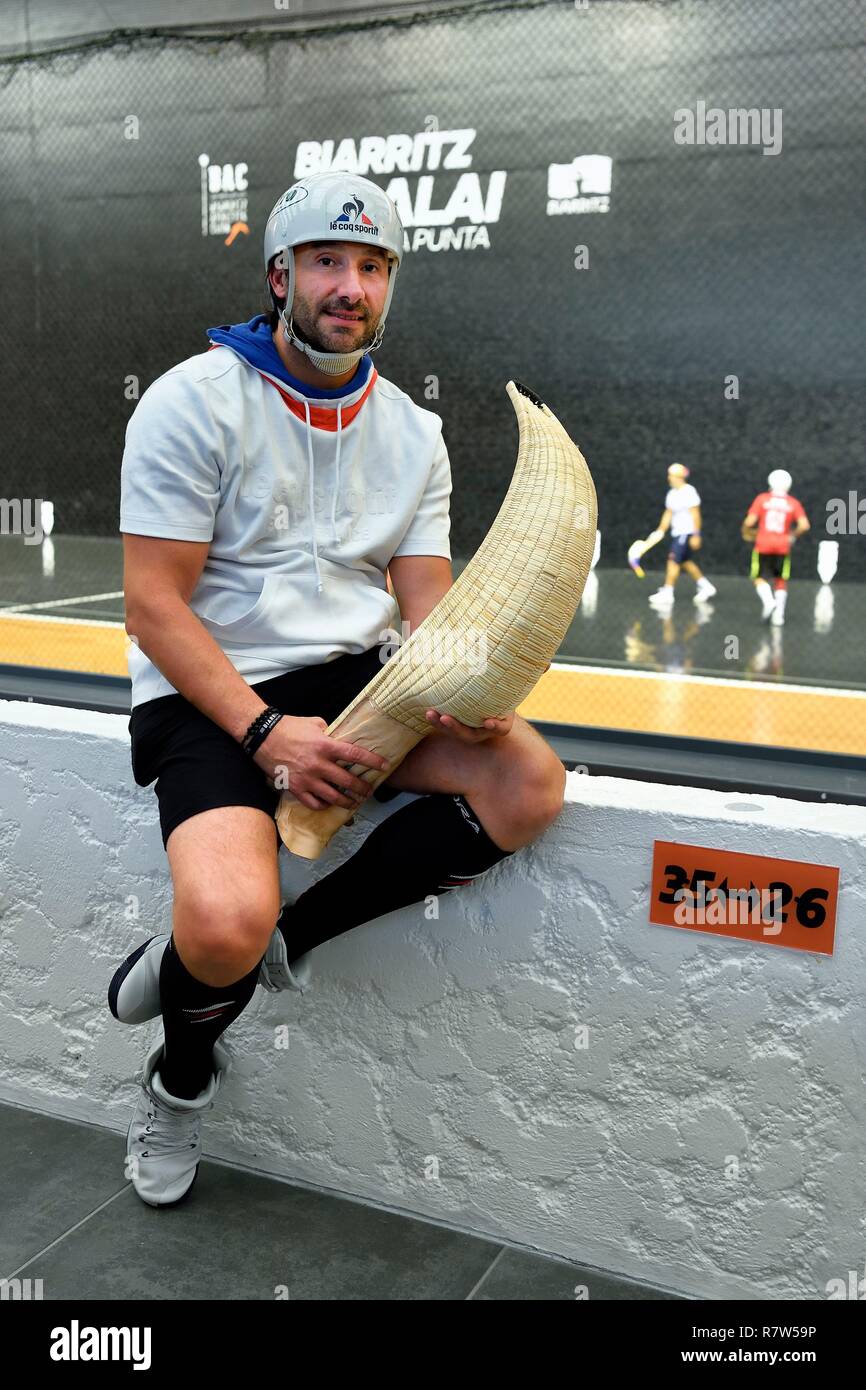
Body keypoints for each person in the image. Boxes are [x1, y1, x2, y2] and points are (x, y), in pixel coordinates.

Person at [112, 172, 567, 1208]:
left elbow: (428, 607)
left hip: (356, 682)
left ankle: (287, 938)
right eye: (325, 260)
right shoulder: (193, 399)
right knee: (219, 918)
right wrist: (267, 733)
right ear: (280, 275)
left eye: (370, 266)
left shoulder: (412, 431)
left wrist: (466, 680)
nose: (348, 285)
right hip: (211, 688)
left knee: (526, 782)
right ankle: (181, 1079)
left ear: (388, 286)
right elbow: (154, 607)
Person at [741, 469, 810, 626]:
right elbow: (804, 525)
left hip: (763, 545)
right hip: (782, 546)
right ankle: (779, 616)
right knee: (780, 580)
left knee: (758, 577)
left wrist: (746, 532)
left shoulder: (762, 499)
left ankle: (769, 602)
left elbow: (749, 522)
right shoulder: (793, 503)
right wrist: (792, 536)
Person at [647, 464, 716, 609]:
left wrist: (696, 534)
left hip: (686, 533)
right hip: (677, 533)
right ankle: (706, 586)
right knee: (685, 561)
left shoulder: (689, 492)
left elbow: (695, 514)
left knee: (673, 560)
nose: (668, 478)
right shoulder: (672, 493)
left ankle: (668, 592)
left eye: (671, 475)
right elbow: (668, 513)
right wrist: (660, 531)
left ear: (679, 477)